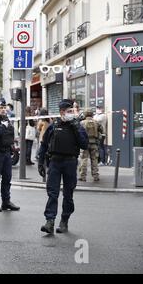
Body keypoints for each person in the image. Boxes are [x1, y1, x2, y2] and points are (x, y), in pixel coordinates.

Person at [37, 99, 88, 234]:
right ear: (61, 112)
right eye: (69, 111)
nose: (71, 113)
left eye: (72, 111)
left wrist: (76, 127)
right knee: (52, 193)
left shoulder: (77, 126)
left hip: (70, 163)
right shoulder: (53, 126)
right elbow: (43, 145)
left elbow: (84, 144)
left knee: (68, 194)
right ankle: (50, 221)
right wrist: (41, 162)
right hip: (55, 162)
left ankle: (64, 220)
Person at [0, 97, 20, 212]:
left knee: (7, 179)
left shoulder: (6, 119)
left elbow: (9, 134)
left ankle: (6, 202)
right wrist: (2, 127)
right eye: (1, 107)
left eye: (4, 107)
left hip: (6, 153)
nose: (3, 110)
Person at [79, 109, 104, 182]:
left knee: (84, 159)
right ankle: (95, 176)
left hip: (85, 144)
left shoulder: (82, 123)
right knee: (94, 159)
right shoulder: (96, 122)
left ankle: (83, 176)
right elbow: (102, 130)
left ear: (85, 114)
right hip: (94, 143)